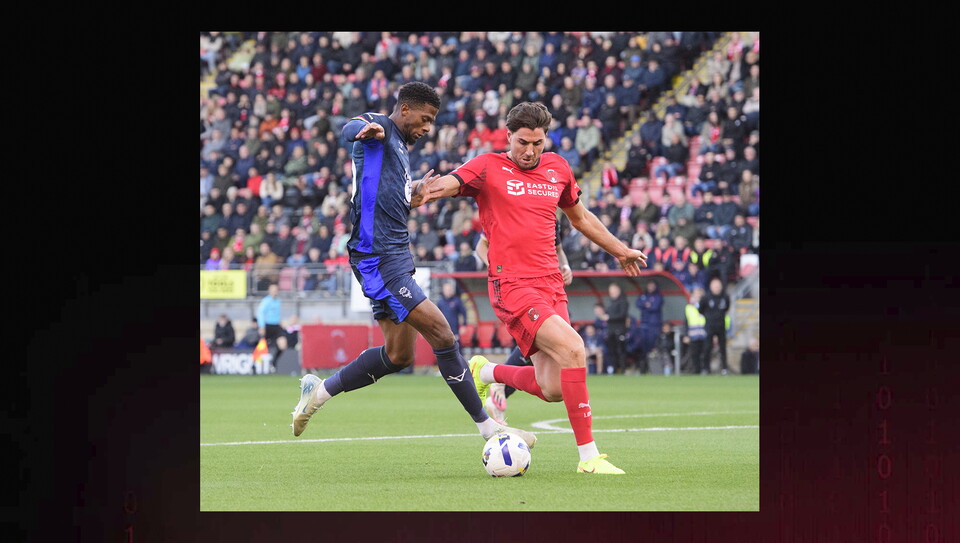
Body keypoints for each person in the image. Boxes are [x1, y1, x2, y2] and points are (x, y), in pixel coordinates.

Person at [290, 81, 535, 449]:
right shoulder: (380, 129)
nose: (427, 128)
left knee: (398, 355)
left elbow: (381, 199)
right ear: (405, 109)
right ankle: (490, 427)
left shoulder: (401, 151)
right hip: (378, 258)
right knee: (444, 335)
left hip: (396, 255)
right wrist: (363, 129)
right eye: (425, 119)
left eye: (432, 121)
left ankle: (318, 392)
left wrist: (411, 199)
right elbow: (349, 127)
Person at [418, 101, 647, 474]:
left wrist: (620, 251)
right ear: (508, 136)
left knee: (554, 387)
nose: (529, 151)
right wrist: (426, 191)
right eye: (523, 142)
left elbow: (581, 218)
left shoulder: (558, 168)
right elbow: (451, 182)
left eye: (537, 143)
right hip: (513, 286)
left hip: (552, 286)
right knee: (575, 349)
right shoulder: (488, 166)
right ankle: (590, 458)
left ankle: (486, 372)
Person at [699, 277, 730, 375]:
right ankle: (706, 369)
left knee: (722, 348)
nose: (717, 288)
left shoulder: (725, 297)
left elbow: (727, 308)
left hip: (721, 325)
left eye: (718, 286)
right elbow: (701, 309)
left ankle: (724, 368)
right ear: (711, 287)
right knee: (707, 347)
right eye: (715, 286)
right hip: (710, 326)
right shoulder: (706, 297)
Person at [635, 280, 664, 373]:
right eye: (649, 285)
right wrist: (647, 305)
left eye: (652, 286)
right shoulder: (643, 295)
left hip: (654, 325)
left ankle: (654, 368)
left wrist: (646, 305)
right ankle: (644, 368)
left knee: (653, 346)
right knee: (643, 347)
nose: (650, 288)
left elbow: (654, 307)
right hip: (644, 324)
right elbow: (638, 303)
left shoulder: (658, 296)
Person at [257, 283, 284, 371]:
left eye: (276, 290)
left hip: (276, 326)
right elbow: (260, 313)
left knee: (283, 345)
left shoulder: (278, 301)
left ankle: (273, 362)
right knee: (262, 346)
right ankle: (256, 365)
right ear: (269, 291)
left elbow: (276, 314)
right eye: (273, 290)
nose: (275, 292)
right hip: (267, 326)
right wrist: (262, 326)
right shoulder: (266, 301)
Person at [682, 287, 708, 374]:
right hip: (693, 336)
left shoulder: (706, 307)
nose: (698, 297)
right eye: (696, 295)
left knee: (705, 354)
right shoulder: (689, 307)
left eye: (699, 295)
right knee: (694, 355)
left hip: (705, 335)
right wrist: (686, 335)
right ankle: (696, 371)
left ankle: (705, 370)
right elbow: (685, 323)